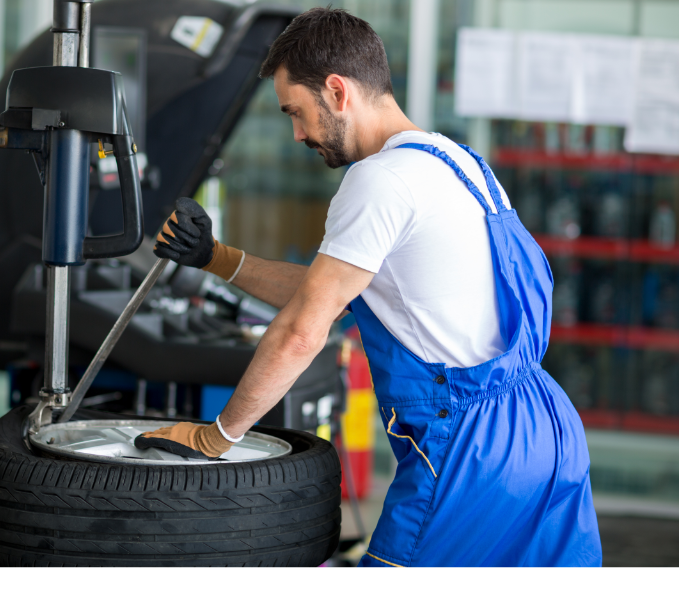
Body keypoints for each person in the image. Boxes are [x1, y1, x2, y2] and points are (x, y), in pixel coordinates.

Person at [134, 7, 602, 568]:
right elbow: (327, 293)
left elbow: (303, 331)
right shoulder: (457, 162)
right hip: (544, 429)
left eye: (297, 112)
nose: (298, 133)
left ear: (336, 91)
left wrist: (217, 437)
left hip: (469, 453)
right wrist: (215, 257)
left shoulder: (378, 180)